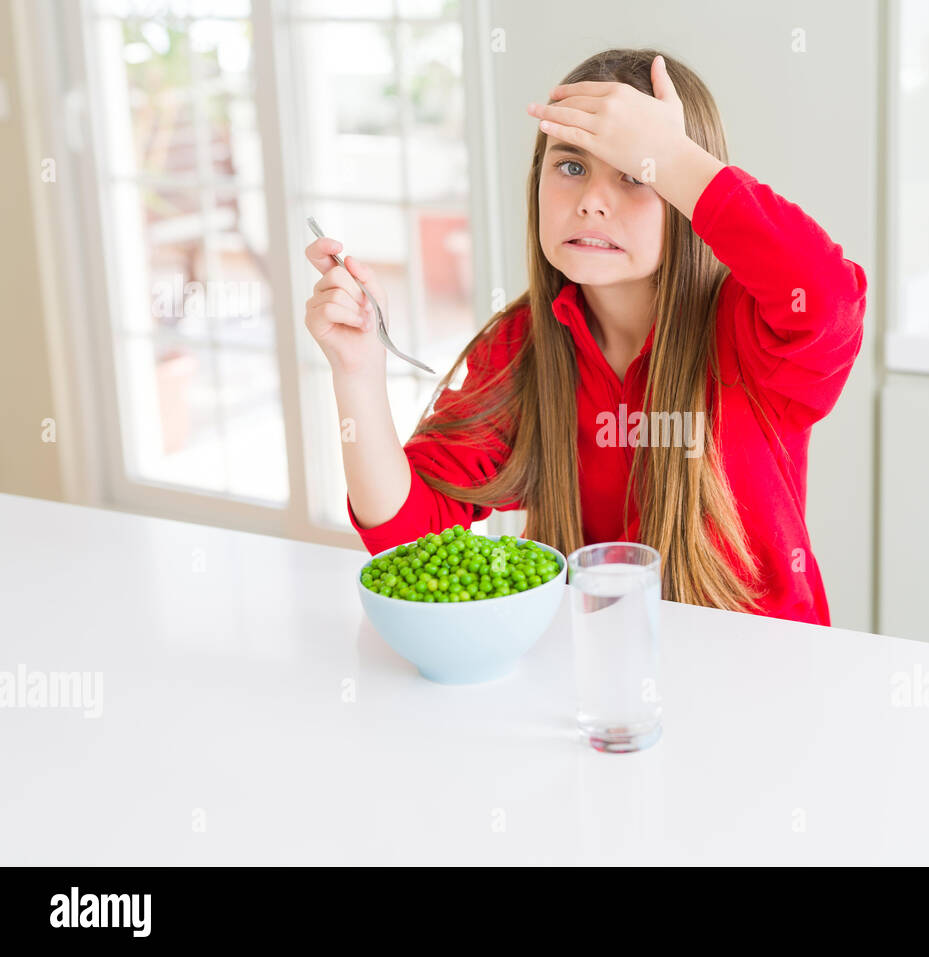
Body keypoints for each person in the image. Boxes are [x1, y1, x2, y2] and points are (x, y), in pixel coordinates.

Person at [304, 49, 867, 626]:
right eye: (570, 166)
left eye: (635, 175)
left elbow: (829, 299)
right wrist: (357, 370)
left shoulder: (752, 329)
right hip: (599, 677)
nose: (592, 201)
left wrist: (672, 157)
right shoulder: (522, 344)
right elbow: (403, 529)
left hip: (763, 682)